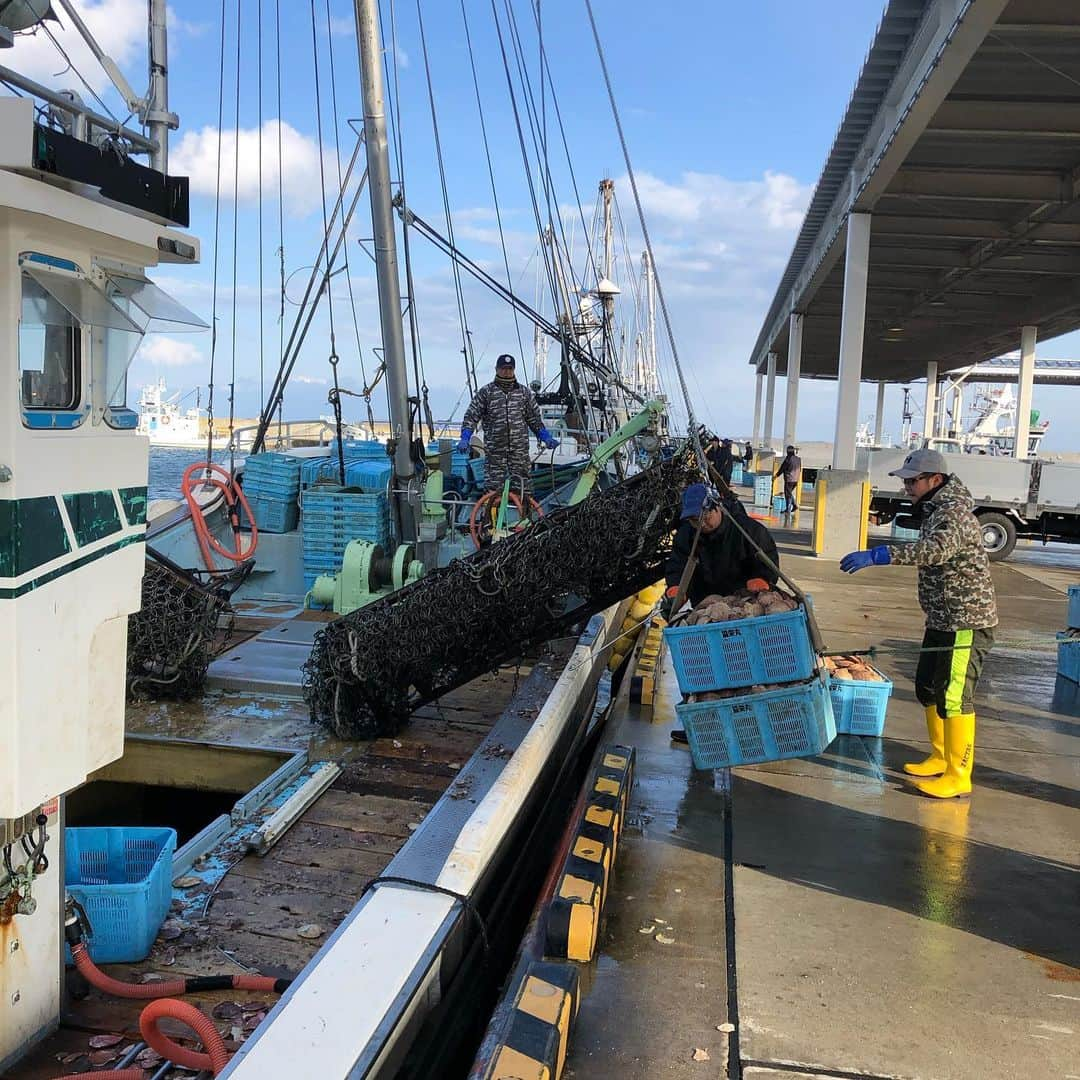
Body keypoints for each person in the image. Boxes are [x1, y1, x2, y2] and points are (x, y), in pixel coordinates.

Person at [840, 448, 997, 799]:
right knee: (927, 687)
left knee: (955, 696)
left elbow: (935, 551)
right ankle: (941, 756)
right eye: (906, 480)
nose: (907, 486)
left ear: (935, 480)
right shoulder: (935, 508)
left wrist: (881, 554)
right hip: (942, 617)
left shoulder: (954, 512)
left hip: (966, 620)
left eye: (913, 480)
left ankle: (959, 774)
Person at [662, 482, 780, 743]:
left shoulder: (747, 530)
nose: (699, 523)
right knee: (700, 667)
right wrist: (674, 590)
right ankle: (701, 724)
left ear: (717, 508)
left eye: (703, 517)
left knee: (744, 666)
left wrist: (762, 580)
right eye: (693, 520)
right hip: (706, 607)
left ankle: (748, 726)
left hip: (744, 608)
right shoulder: (687, 535)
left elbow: (768, 559)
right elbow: (678, 566)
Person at [459, 354, 558, 496]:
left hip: (519, 452)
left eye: (510, 369)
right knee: (493, 490)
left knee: (523, 488)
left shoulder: (524, 393)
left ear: (514, 370)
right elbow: (471, 416)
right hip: (495, 453)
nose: (507, 372)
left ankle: (525, 515)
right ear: (497, 369)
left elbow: (534, 419)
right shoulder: (486, 392)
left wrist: (546, 437)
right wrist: (465, 438)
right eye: (503, 368)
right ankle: (491, 516)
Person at [775, 445, 802, 512]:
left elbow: (782, 468)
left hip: (789, 479)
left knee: (788, 494)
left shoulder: (788, 459)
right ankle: (792, 506)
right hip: (796, 480)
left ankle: (790, 507)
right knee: (789, 493)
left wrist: (776, 476)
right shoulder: (798, 459)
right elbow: (800, 469)